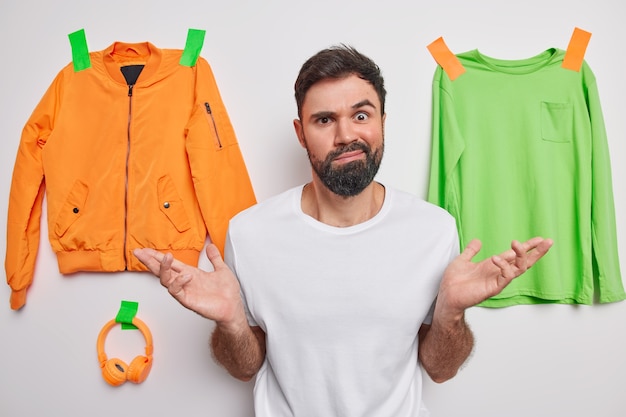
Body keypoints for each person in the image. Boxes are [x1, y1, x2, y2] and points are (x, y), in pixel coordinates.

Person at [134, 45, 552, 416]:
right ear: (301, 133)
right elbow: (244, 368)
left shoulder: (434, 230)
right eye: (324, 120)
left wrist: (451, 312)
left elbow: (440, 370)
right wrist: (231, 323)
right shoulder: (249, 233)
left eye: (361, 115)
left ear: (382, 122)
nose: (346, 135)